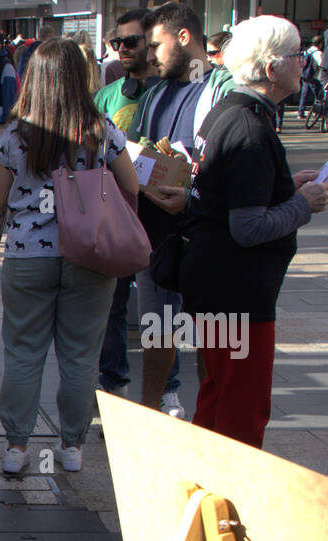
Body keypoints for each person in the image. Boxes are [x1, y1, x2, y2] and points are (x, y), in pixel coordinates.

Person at [0, 38, 139, 474]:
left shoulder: (14, 135)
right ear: (81, 77)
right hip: (90, 253)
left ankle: (16, 448)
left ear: (34, 78)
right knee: (80, 354)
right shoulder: (101, 131)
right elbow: (130, 184)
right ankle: (71, 447)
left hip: (27, 255)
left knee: (22, 352)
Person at [180, 16, 328, 449]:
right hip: (239, 295)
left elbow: (231, 195)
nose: (303, 63)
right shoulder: (249, 127)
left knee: (218, 396)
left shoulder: (229, 112)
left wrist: (286, 187)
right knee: (241, 410)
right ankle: (228, 506)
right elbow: (247, 227)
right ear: (270, 68)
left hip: (217, 286)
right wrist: (303, 204)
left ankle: (204, 495)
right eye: (296, 55)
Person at [126, 2, 213, 419]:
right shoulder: (155, 92)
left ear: (184, 37)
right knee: (157, 324)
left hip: (203, 231)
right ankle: (152, 408)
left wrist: (192, 186)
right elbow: (136, 151)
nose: (150, 55)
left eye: (156, 45)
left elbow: (224, 159)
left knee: (210, 330)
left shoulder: (220, 87)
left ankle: (209, 417)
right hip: (156, 232)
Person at [94, 9, 159, 397]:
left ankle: (166, 388)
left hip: (158, 216)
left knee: (160, 309)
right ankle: (113, 382)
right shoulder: (105, 95)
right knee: (113, 305)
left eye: (131, 42)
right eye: (117, 42)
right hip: (114, 216)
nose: (122, 49)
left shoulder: (170, 93)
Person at [298, 35, 323, 117]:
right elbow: (321, 65)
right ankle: (317, 111)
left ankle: (300, 112)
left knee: (304, 94)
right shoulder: (318, 53)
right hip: (314, 77)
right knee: (317, 96)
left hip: (305, 75)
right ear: (320, 44)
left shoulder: (307, 51)